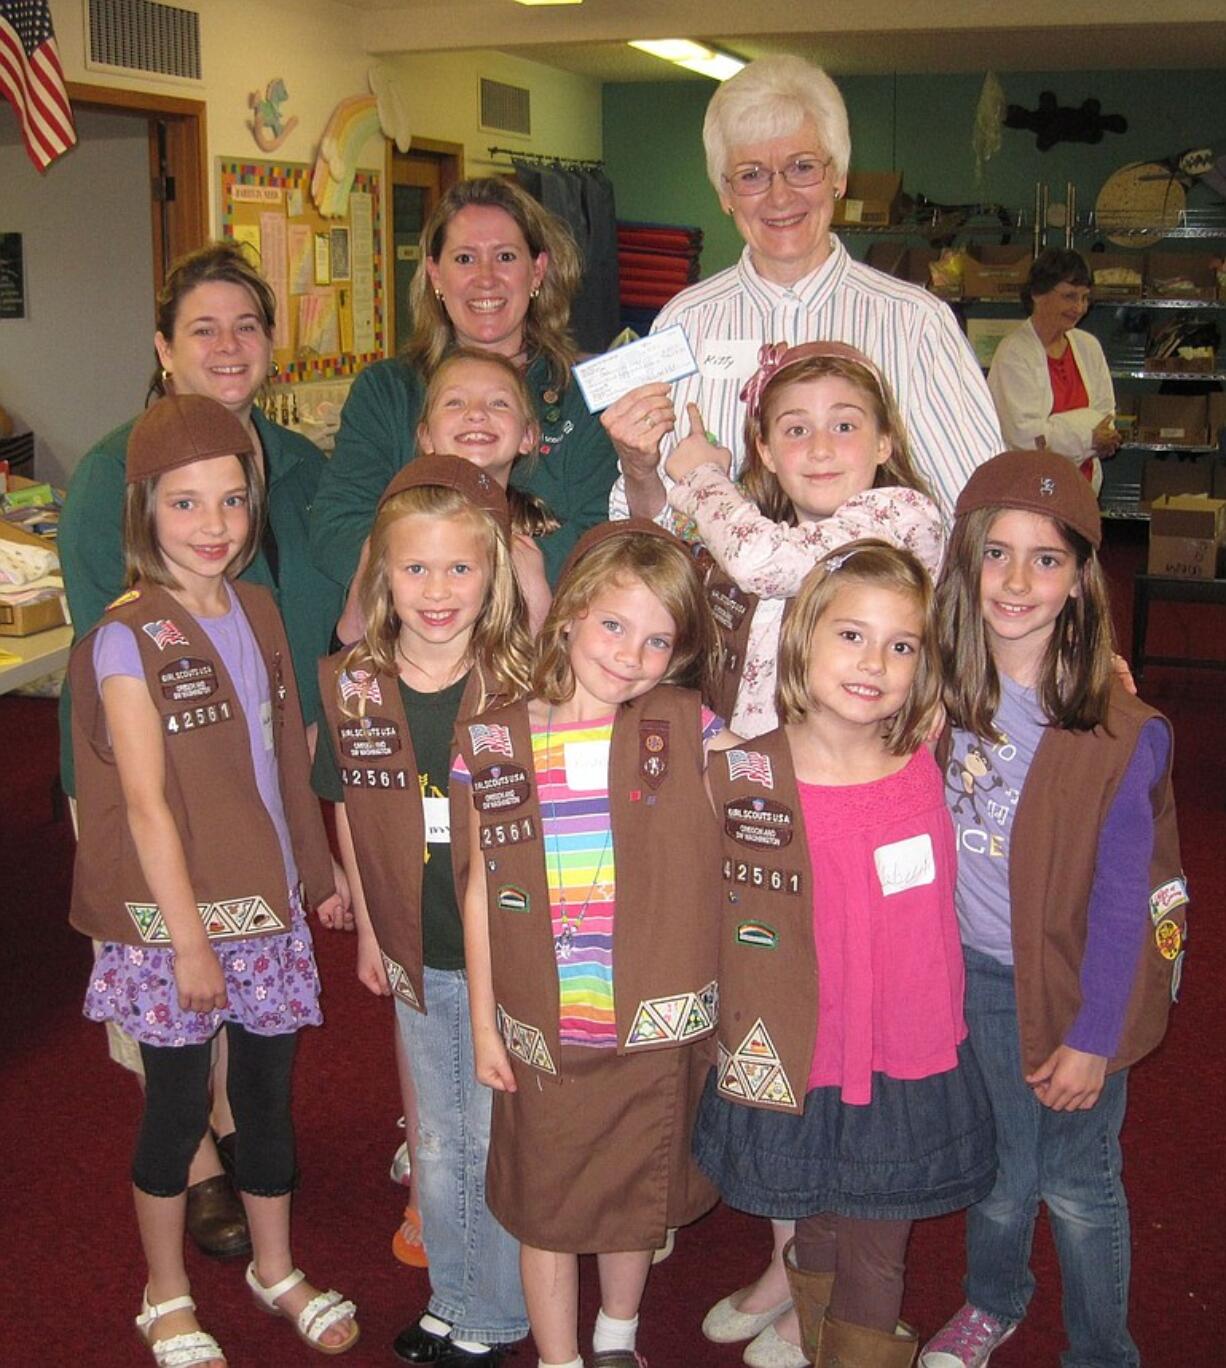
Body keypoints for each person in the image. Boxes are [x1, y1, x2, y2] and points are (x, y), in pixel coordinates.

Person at [57, 240, 345, 1259]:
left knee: (253, 983)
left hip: (267, 774)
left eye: (248, 325)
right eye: (202, 328)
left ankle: (236, 1135)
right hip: (153, 778)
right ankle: (200, 1162)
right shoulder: (110, 475)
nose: (229, 346)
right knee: (179, 999)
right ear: (163, 348)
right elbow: (117, 651)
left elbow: (320, 604)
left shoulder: (298, 462)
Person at [694, 542, 996, 1368]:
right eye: (851, 636)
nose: (875, 663)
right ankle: (805, 1318)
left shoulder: (933, 754)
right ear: (801, 641)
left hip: (905, 1050)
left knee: (876, 1241)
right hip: (803, 1045)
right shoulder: (743, 770)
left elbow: (1028, 666)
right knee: (813, 1205)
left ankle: (855, 1348)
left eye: (902, 646)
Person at [920, 450, 1185, 1368]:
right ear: (965, 564)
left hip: (1076, 992)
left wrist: (1095, 1038)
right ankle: (993, 1299)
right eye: (996, 554)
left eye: (1045, 559)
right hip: (976, 977)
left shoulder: (1118, 732)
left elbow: (1127, 906)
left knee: (1077, 1184)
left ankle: (1102, 1349)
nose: (1017, 581)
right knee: (998, 1172)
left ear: (1080, 581)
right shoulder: (937, 691)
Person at [457, 521, 730, 1368]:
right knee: (548, 1205)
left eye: (658, 640)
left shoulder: (684, 728)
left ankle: (615, 1337)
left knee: (630, 1193)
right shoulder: (499, 740)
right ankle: (557, 1357)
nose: (631, 655)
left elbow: (766, 803)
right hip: (547, 1024)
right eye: (615, 626)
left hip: (647, 1025)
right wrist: (483, 1024)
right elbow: (476, 888)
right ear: (569, 615)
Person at [314, 455, 533, 1367]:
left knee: (484, 1134)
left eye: (459, 568)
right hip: (415, 938)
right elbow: (348, 809)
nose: (436, 590)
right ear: (380, 581)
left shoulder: (519, 684)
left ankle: (490, 1310)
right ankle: (459, 1293)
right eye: (414, 569)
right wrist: (368, 923)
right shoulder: (357, 684)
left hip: (505, 950)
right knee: (440, 1133)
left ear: (493, 577)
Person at [604, 55, 1000, 527]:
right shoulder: (682, 323)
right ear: (724, 193)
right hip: (715, 602)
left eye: (802, 167)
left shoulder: (918, 325)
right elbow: (655, 531)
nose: (779, 196)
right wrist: (638, 469)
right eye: (751, 174)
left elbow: (978, 511)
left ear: (839, 178)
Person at [310, 177, 621, 594]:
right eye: (465, 259)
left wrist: (462, 577)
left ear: (538, 270)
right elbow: (338, 530)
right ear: (436, 274)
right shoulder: (387, 392)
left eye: (506, 256)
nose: (486, 278)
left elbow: (598, 535)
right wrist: (443, 588)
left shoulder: (583, 393)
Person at [664, 340, 944, 737]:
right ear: (766, 451)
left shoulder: (903, 517)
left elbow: (760, 561)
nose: (820, 449)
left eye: (844, 426)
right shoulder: (767, 531)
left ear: (884, 442)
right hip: (758, 780)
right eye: (797, 429)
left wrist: (703, 477)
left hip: (853, 778)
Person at [336, 347, 556, 643]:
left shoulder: (532, 547)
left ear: (528, 437)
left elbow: (545, 671)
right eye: (455, 402)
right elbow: (350, 649)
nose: (476, 413)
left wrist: (536, 598)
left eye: (499, 403)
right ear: (425, 436)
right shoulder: (392, 535)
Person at [986, 249, 1120, 494]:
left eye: (1084, 297)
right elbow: (1026, 437)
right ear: (1038, 294)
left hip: (1083, 487)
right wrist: (1088, 437)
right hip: (1030, 488)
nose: (1079, 308)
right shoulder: (1013, 353)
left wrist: (1065, 431)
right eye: (1069, 296)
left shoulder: (1088, 346)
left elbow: (1105, 418)